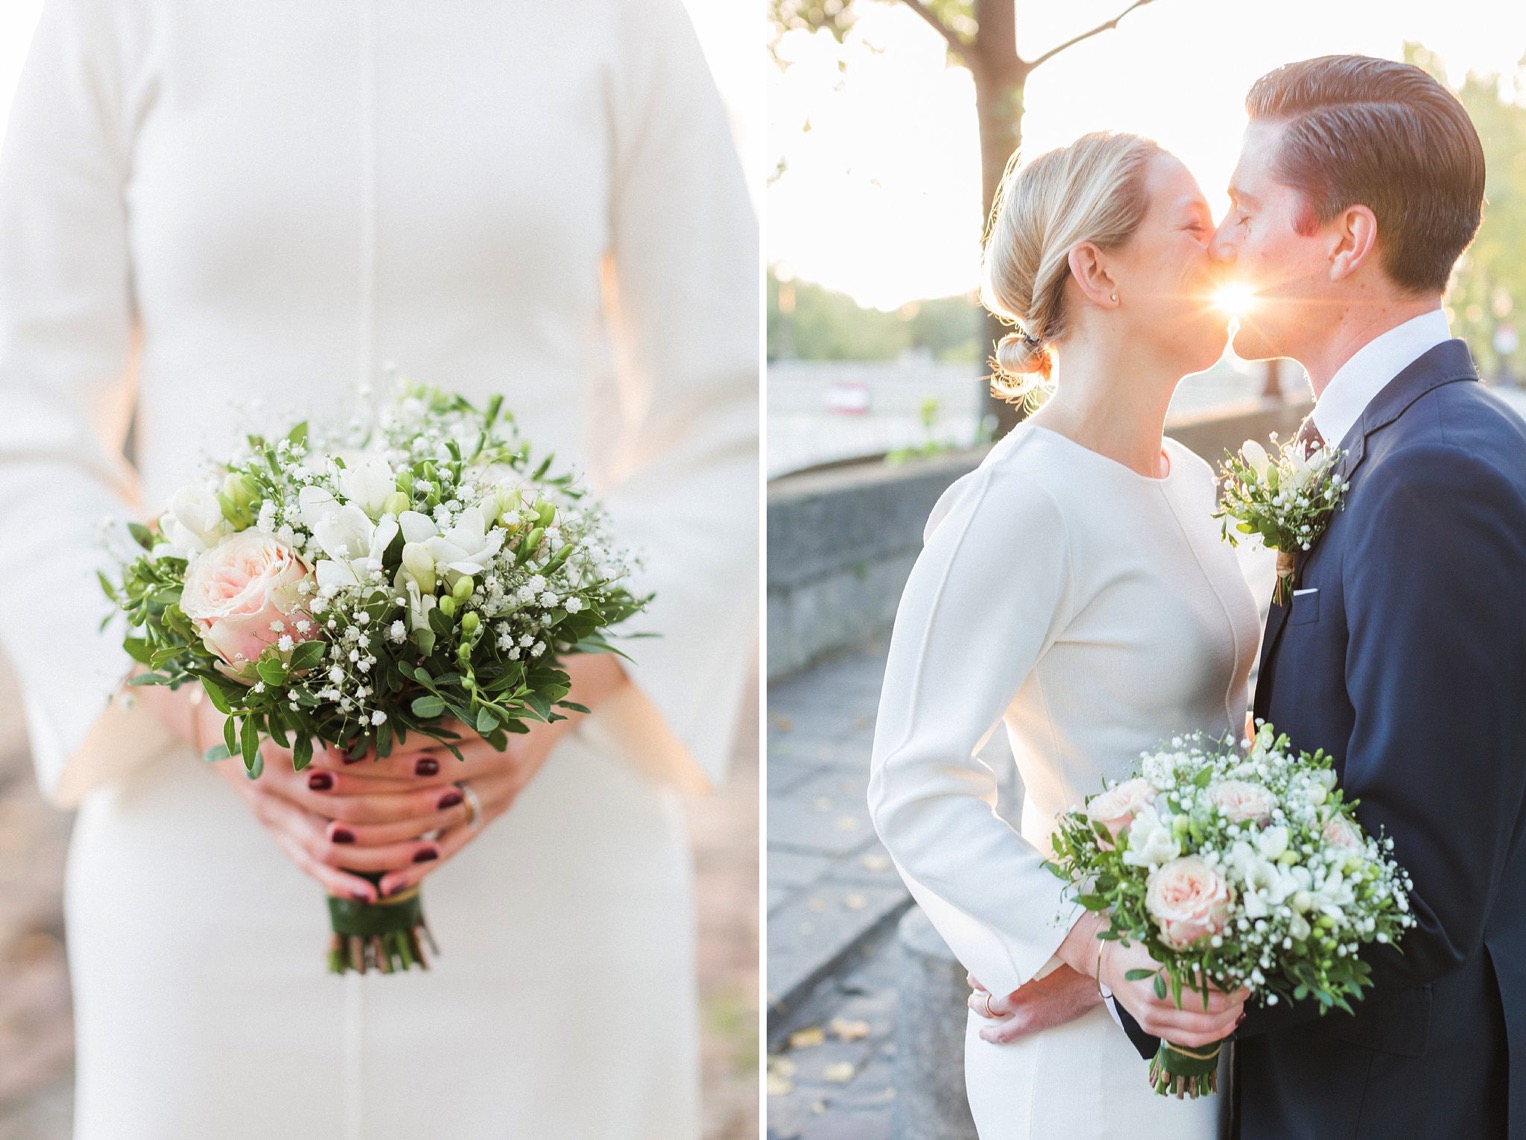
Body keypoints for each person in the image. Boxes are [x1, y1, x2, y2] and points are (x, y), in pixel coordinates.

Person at [0, 0, 757, 1136]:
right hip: (198, 845)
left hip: (546, 832)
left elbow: (726, 417)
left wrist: (556, 688)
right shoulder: (106, 20)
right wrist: (201, 708)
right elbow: (26, 421)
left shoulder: (624, 21)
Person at [1108, 55, 1526, 1139]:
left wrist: (1170, 972)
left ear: (1345, 239)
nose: (1223, 244)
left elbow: (1420, 888)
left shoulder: (1433, 477)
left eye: (1246, 212)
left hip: (1387, 1100)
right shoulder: (1392, 446)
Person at [867, 130, 1255, 1140]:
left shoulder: (1191, 479)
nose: (1225, 254)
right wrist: (1088, 952)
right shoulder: (1015, 504)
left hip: (1199, 1004)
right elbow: (912, 783)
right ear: (1095, 268)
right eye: (1194, 228)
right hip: (1091, 1064)